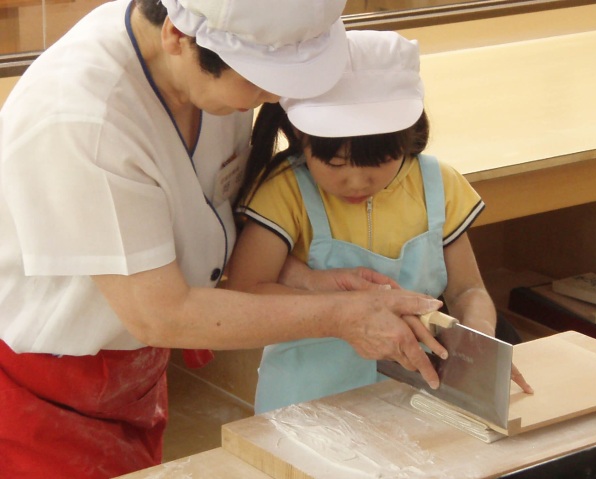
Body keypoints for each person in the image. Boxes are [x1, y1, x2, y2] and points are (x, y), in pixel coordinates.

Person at [0, 1, 444, 477]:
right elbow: (160, 312)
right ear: (177, 37)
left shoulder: (205, 73)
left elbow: (212, 211)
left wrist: (306, 280)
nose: (272, 97)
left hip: (132, 368)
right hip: (39, 387)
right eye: (258, 80)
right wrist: (342, 317)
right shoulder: (85, 121)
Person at [226, 30, 533, 414]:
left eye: (377, 163)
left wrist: (479, 339)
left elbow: (468, 290)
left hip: (417, 396)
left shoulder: (439, 185)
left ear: (407, 138)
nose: (356, 181)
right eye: (334, 163)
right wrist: (339, 310)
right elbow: (245, 293)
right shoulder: (286, 191)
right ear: (302, 135)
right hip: (304, 401)